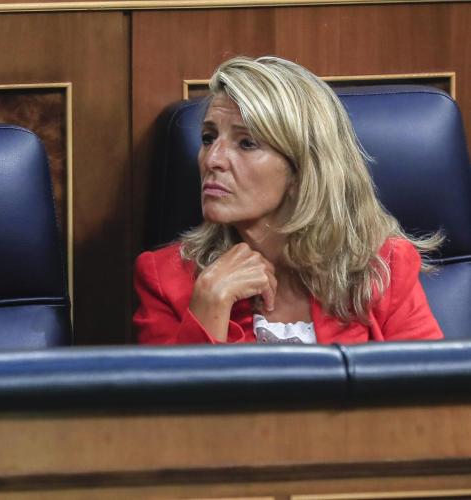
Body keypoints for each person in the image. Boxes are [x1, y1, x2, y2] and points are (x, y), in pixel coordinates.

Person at [134, 56, 444, 345]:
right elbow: (169, 389)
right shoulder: (164, 279)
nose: (212, 159)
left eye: (246, 143)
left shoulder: (383, 268)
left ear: (301, 169)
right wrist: (208, 305)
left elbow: (430, 384)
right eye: (208, 138)